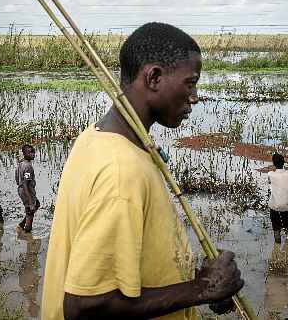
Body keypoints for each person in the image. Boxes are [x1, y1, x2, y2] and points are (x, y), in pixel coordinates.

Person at [41, 22, 244, 320]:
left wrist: (195, 287)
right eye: (190, 83)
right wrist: (200, 289)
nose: (195, 96)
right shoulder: (122, 171)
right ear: (154, 77)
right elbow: (85, 307)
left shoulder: (97, 137)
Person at [267, 153, 288, 244]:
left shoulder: (270, 174)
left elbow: (270, 186)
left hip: (274, 206)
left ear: (274, 163)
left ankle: (277, 245)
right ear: (284, 163)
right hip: (286, 206)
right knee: (286, 226)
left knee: (276, 229)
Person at [15, 144, 40, 233]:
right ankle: (28, 234)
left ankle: (21, 225)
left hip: (22, 190)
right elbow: (25, 184)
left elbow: (17, 179)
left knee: (37, 204)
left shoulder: (21, 163)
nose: (32, 154)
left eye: (33, 152)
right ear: (24, 154)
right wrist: (30, 202)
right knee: (30, 211)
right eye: (29, 153)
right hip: (27, 191)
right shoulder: (28, 167)